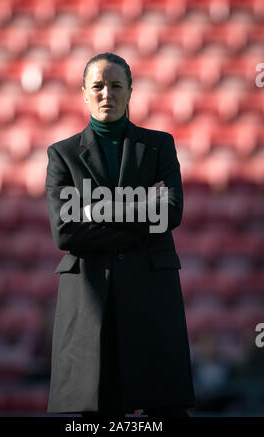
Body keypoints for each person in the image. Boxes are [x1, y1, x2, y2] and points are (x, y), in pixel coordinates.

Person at [45, 52, 196, 418]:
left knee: (165, 414)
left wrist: (95, 211)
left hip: (152, 297)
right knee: (99, 417)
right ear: (83, 93)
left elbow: (170, 211)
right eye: (97, 86)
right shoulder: (62, 155)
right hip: (92, 300)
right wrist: (141, 214)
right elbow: (66, 233)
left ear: (131, 91)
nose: (106, 94)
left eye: (115, 86)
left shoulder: (160, 145)